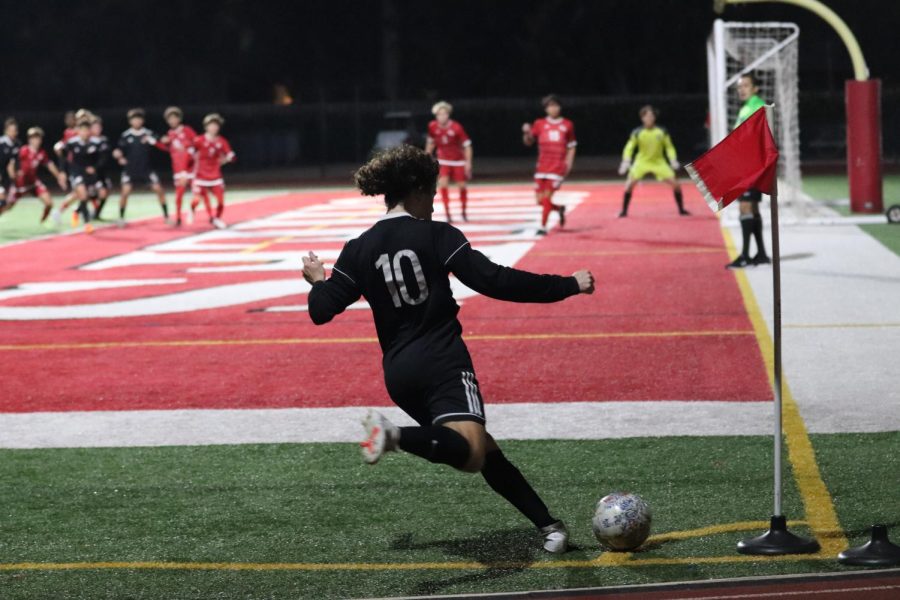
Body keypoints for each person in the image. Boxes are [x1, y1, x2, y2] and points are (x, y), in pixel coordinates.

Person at [301, 145, 595, 553]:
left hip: (399, 374)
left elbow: (321, 310)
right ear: (418, 189)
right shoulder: (437, 236)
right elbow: (494, 281)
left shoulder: (358, 248)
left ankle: (549, 526)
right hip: (442, 362)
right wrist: (568, 285)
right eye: (433, 193)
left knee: (482, 448)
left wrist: (317, 279)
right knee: (472, 453)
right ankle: (393, 435)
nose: (436, 203)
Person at [727, 73, 770, 269]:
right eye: (739, 87)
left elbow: (754, 137)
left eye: (745, 85)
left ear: (755, 88)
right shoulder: (747, 107)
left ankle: (745, 255)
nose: (741, 89)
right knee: (752, 208)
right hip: (748, 164)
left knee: (745, 207)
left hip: (751, 165)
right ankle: (760, 253)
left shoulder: (756, 106)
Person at [617, 105, 689, 217]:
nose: (649, 118)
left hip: (658, 162)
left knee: (676, 184)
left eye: (651, 116)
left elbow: (669, 147)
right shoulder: (637, 132)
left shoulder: (662, 131)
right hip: (642, 162)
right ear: (642, 118)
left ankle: (681, 210)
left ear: (655, 118)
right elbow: (629, 147)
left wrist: (673, 159)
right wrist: (626, 161)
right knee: (629, 185)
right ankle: (624, 211)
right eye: (646, 116)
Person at [521, 95, 576, 235]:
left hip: (557, 166)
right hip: (542, 166)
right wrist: (526, 132)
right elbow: (528, 141)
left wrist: (568, 163)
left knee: (546, 198)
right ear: (546, 108)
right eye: (550, 106)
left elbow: (572, 146)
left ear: (560, 107)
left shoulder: (567, 124)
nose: (553, 108)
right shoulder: (539, 123)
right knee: (540, 200)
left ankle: (543, 226)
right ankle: (558, 208)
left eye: (556, 105)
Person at [113, 108, 168, 226]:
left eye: (139, 119)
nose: (136, 122)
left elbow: (161, 143)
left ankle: (166, 216)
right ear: (130, 121)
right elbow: (119, 150)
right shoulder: (126, 135)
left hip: (146, 169)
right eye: (134, 119)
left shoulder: (148, 133)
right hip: (130, 169)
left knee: (159, 189)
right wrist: (119, 156)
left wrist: (161, 140)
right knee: (125, 192)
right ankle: (121, 217)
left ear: (142, 121)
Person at [3, 127, 68, 224]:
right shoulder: (23, 151)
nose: (36, 141)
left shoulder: (41, 153)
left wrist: (59, 177)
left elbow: (50, 165)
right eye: (34, 138)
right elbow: (12, 163)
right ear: (29, 139)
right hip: (19, 185)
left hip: (33, 183)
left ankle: (44, 220)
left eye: (38, 138)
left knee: (49, 203)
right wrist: (13, 175)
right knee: (8, 206)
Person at [424, 101, 473, 223]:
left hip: (458, 161)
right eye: (439, 114)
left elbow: (467, 146)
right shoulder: (432, 126)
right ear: (436, 116)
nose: (442, 117)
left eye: (444, 114)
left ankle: (463, 211)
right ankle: (448, 213)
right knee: (443, 184)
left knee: (462, 186)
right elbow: (431, 143)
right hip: (443, 160)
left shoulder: (456, 127)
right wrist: (426, 158)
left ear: (448, 114)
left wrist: (468, 162)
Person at [190, 113, 235, 229]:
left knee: (220, 201)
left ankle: (216, 218)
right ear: (206, 127)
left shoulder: (222, 141)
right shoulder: (199, 140)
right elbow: (190, 151)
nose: (214, 128)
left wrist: (225, 159)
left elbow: (231, 155)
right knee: (196, 200)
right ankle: (192, 210)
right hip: (200, 176)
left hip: (215, 176)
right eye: (211, 125)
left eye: (216, 125)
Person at [60, 118, 104, 233]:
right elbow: (63, 157)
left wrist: (94, 167)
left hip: (90, 174)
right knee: (83, 194)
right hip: (76, 172)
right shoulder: (72, 142)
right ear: (78, 131)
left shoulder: (96, 142)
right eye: (82, 130)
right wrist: (62, 171)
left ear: (90, 131)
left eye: (87, 130)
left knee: (96, 195)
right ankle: (87, 224)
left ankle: (76, 211)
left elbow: (102, 158)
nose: (84, 133)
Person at [158, 106, 197, 226]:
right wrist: (158, 143)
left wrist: (186, 145)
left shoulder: (187, 130)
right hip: (178, 168)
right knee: (179, 195)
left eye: (175, 118)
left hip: (191, 167)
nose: (173, 121)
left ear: (179, 119)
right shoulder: (170, 134)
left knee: (197, 194)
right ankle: (179, 218)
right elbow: (169, 150)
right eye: (170, 119)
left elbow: (197, 142)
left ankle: (192, 210)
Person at [88, 116, 112, 220]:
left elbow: (105, 157)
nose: (97, 129)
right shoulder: (87, 140)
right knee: (96, 192)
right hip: (90, 173)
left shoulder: (103, 140)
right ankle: (81, 210)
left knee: (106, 192)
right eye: (94, 127)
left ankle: (96, 213)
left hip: (101, 171)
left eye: (98, 127)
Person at [0, 118, 21, 212]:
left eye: (15, 130)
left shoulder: (17, 144)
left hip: (6, 178)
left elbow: (13, 163)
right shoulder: (1, 143)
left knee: (9, 202)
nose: (13, 133)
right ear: (5, 131)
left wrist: (16, 173)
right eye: (11, 130)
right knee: (2, 199)